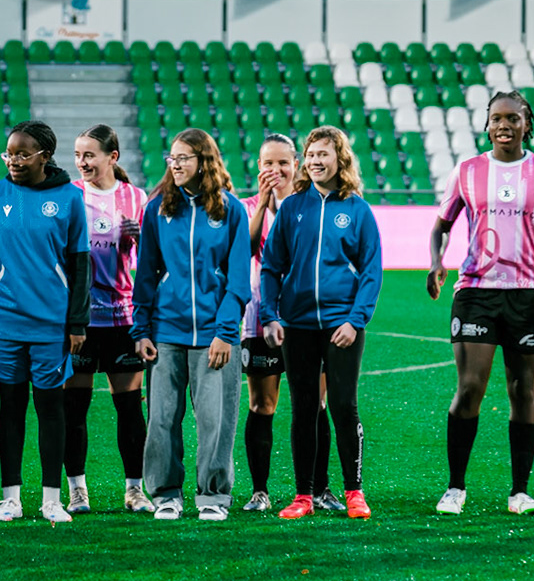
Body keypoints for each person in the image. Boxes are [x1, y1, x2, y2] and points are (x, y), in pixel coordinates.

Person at [427, 91, 534, 516]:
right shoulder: (468, 171)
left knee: (522, 389)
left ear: (528, 123)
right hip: (476, 290)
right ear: (486, 125)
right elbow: (441, 225)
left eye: (513, 117)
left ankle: (519, 491)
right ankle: (455, 488)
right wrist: (436, 261)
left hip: (528, 292)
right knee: (470, 387)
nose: (504, 125)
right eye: (496, 118)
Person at [259, 126, 382, 521]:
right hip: (297, 326)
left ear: (340, 159)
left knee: (344, 406)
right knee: (304, 409)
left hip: (342, 325)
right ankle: (303, 496)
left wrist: (355, 319)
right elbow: (271, 267)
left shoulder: (358, 210)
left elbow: (371, 272)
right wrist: (271, 315)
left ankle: (354, 491)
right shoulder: (293, 207)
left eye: (323, 154)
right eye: (311, 154)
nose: (315, 161)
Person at [0, 120, 91, 524]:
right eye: (10, 153)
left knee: (51, 410)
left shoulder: (70, 199)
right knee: (10, 408)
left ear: (45, 156)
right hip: (4, 320)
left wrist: (77, 323)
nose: (15, 161)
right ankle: (10, 499)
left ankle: (52, 500)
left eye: (23, 154)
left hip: (52, 324)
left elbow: (79, 266)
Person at [131, 128, 251, 521]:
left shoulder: (231, 210)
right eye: (172, 158)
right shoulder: (157, 209)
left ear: (204, 161)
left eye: (184, 158)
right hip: (166, 332)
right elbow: (146, 274)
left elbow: (237, 280)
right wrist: (142, 330)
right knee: (162, 419)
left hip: (216, 337)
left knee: (216, 420)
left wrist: (225, 333)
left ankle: (213, 496)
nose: (175, 165)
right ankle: (166, 494)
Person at [241, 133, 335, 513]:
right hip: (261, 318)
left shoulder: (312, 204)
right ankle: (260, 491)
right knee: (263, 404)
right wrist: (263, 205)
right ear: (258, 166)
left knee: (315, 403)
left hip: (309, 319)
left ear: (295, 163)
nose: (275, 170)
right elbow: (244, 249)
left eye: (283, 162)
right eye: (268, 163)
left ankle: (319, 488)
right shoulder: (246, 206)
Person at [67, 125, 149, 513]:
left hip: (122, 317)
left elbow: (144, 264)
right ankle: (77, 490)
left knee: (130, 407)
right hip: (81, 320)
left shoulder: (135, 197)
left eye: (89, 155)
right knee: (75, 407)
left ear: (112, 157)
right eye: (78, 155)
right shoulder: (69, 196)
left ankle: (134, 489)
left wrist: (136, 241)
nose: (82, 162)